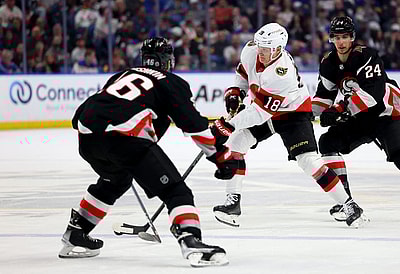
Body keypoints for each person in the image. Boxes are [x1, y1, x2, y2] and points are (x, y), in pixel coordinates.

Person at [58, 37, 231, 267]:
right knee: (175, 190)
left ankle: (76, 232)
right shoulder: (171, 81)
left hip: (87, 137)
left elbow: (78, 116)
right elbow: (193, 125)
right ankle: (192, 241)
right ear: (168, 61)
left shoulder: (121, 75)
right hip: (125, 140)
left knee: (115, 180)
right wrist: (218, 156)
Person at [209, 23, 368, 228]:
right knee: (236, 145)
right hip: (266, 109)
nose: (262, 52)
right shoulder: (251, 49)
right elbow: (243, 72)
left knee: (308, 161)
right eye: (260, 47)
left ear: (278, 49)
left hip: (293, 114)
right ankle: (233, 204)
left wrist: (228, 125)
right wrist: (235, 91)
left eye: (267, 49)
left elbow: (259, 113)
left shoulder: (281, 73)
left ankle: (349, 205)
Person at [312, 16, 400, 222]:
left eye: (345, 37)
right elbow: (323, 97)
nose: (341, 42)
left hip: (386, 115)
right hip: (360, 118)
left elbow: (372, 96)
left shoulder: (367, 56)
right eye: (337, 37)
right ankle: (344, 200)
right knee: (328, 142)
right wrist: (304, 113)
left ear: (352, 38)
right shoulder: (329, 63)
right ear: (331, 39)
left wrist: (338, 109)